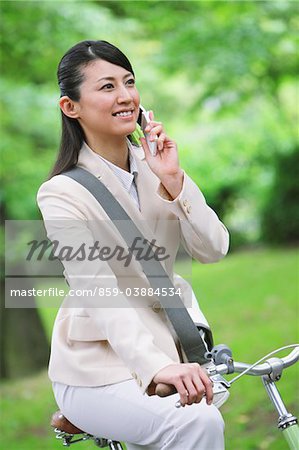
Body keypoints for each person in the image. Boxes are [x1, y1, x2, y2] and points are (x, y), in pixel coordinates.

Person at [37, 40, 229, 450]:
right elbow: (96, 288)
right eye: (106, 87)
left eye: (129, 82)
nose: (125, 96)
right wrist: (157, 367)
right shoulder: (61, 194)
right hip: (96, 368)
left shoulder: (157, 165)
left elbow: (213, 249)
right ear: (71, 107)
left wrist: (175, 183)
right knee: (197, 423)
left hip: (178, 350)